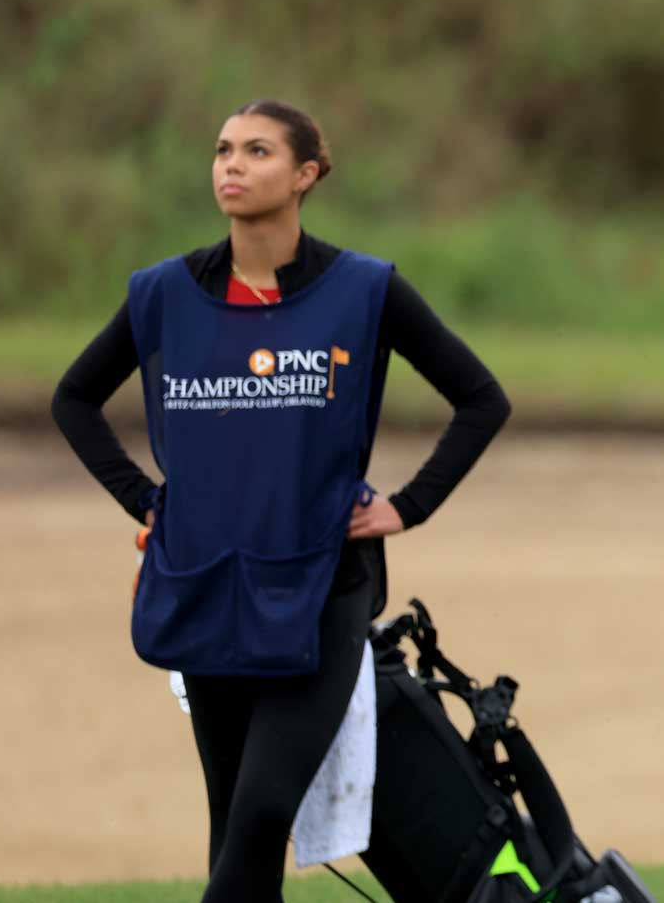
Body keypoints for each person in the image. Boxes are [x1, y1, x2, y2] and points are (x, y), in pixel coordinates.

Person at [50, 99, 511, 902]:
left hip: (322, 585)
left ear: (305, 176)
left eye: (256, 151)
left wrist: (409, 504)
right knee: (232, 822)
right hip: (205, 583)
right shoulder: (164, 293)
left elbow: (480, 398)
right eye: (223, 149)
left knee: (265, 810)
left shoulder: (364, 290)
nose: (231, 164)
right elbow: (74, 398)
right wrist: (147, 503)